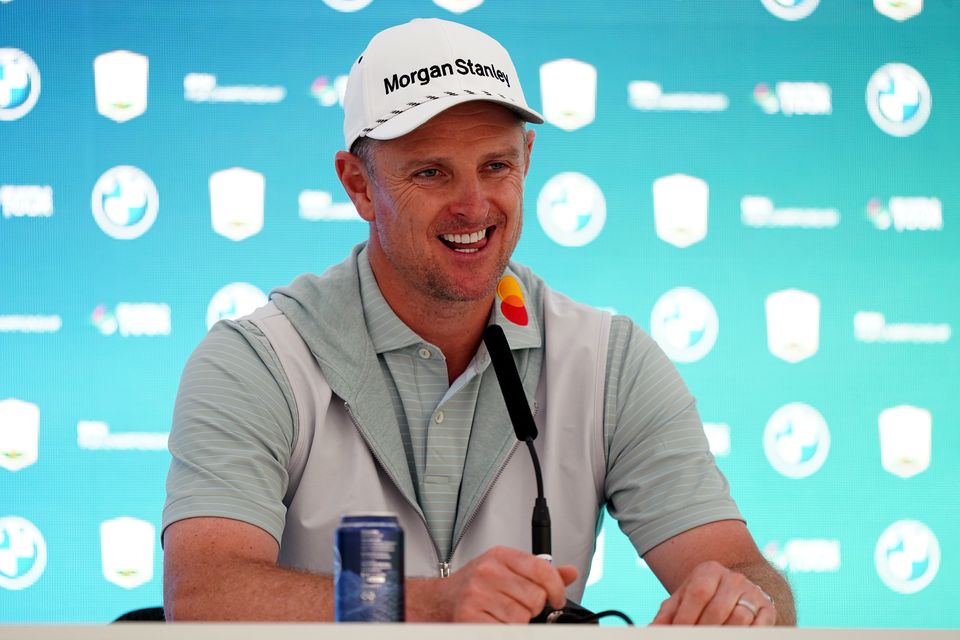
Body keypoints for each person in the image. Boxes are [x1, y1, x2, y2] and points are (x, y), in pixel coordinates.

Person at [162, 18, 796, 625]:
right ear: (358, 185)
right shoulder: (259, 360)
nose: (473, 206)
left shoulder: (609, 360)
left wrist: (742, 607)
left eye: (496, 166)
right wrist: (429, 607)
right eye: (431, 172)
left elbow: (743, 571)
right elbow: (204, 594)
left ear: (527, 158)